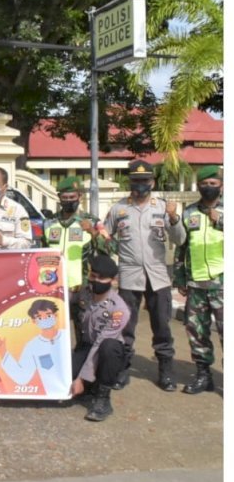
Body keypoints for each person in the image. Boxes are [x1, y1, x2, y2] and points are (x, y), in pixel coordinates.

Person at [102, 159, 186, 391]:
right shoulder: (119, 209)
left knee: (162, 325)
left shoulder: (162, 207)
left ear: (152, 181)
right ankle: (122, 369)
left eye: (145, 181)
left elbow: (180, 239)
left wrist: (173, 218)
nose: (140, 185)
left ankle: (166, 372)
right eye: (136, 181)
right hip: (129, 275)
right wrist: (100, 236)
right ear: (130, 181)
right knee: (126, 326)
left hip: (158, 275)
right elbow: (106, 239)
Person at [173, 165, 223, 394]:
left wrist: (221, 222)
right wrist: (180, 278)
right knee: (197, 332)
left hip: (223, 285)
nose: (209, 187)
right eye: (205, 184)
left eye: (213, 184)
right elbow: (181, 248)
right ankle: (204, 376)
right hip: (196, 284)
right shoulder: (189, 213)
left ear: (221, 186)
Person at [42, 176, 108, 337]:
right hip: (54, 287)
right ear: (59, 198)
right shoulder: (49, 223)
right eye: (64, 198)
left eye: (72, 197)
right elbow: (41, 254)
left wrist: (93, 233)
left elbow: (109, 249)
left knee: (85, 333)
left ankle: (83, 362)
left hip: (82, 287)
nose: (68, 201)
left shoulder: (92, 221)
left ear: (79, 196)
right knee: (53, 333)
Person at [70, 254, 131, 422]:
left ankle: (103, 398)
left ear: (112, 280)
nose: (95, 281)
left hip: (107, 354)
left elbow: (98, 344)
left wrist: (81, 378)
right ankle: (89, 387)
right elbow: (62, 300)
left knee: (109, 347)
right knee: (66, 381)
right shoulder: (84, 292)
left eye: (101, 278)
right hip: (85, 347)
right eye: (92, 276)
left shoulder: (118, 309)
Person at [0, 299, 70, 395]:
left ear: (56, 315)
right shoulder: (33, 346)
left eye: (48, 315)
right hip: (55, 394)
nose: (45, 319)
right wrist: (3, 352)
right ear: (34, 321)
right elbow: (22, 377)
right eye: (39, 317)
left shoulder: (66, 336)